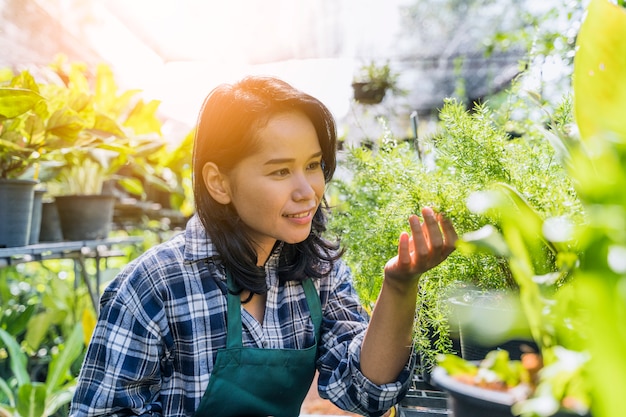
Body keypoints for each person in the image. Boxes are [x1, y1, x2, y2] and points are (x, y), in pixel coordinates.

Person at [69, 76, 457, 417]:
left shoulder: (318, 270)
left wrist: (401, 285)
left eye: (313, 165)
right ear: (219, 183)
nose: (307, 191)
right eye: (280, 171)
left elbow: (365, 392)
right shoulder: (156, 285)